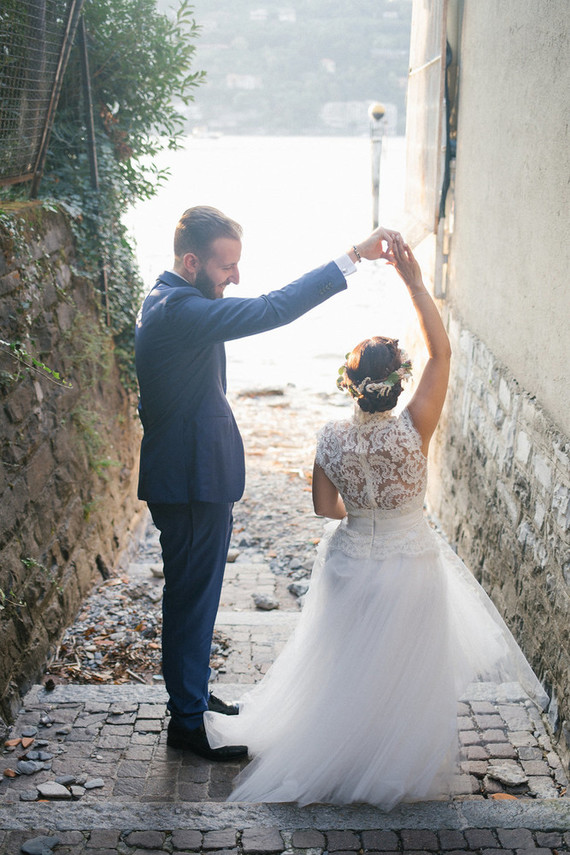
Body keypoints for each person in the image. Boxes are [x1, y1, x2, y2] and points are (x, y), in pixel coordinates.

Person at [204, 236, 548, 808]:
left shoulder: (330, 438)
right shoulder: (415, 427)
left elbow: (324, 508)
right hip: (410, 561)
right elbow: (441, 354)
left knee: (348, 668)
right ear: (398, 383)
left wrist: (360, 516)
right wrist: (415, 282)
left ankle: (343, 753)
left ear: (351, 384)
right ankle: (393, 763)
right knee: (406, 672)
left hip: (349, 563)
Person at [135, 205, 401, 761]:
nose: (235, 278)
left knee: (196, 595)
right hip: (191, 481)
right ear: (191, 262)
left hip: (190, 474)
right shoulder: (180, 309)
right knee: (191, 599)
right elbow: (273, 309)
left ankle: (191, 696)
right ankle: (187, 721)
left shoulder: (168, 298)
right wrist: (353, 256)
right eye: (226, 267)